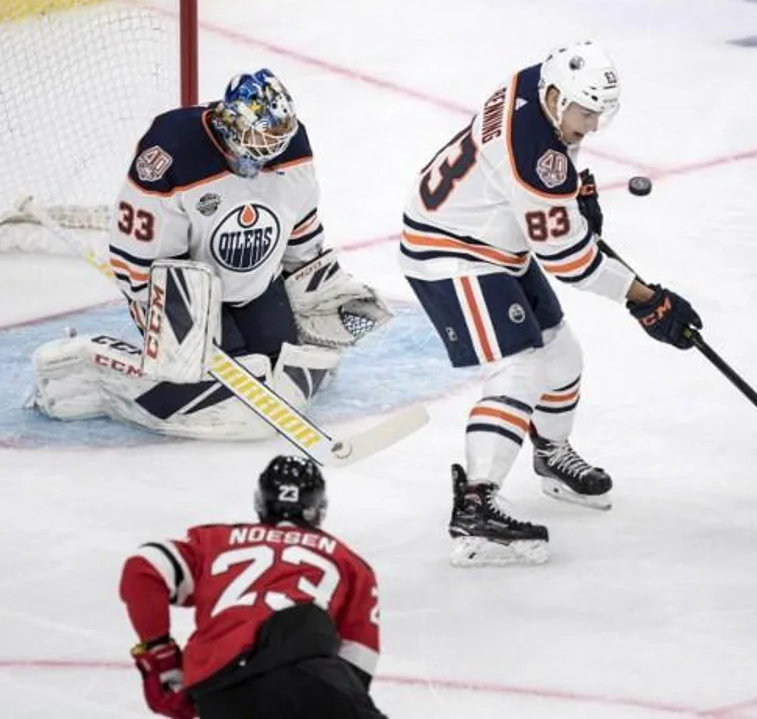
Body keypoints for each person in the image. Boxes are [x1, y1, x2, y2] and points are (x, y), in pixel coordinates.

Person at [399, 40, 703, 566]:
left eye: (600, 113)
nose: (593, 126)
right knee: (519, 368)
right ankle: (477, 504)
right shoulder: (535, 160)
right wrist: (647, 300)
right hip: (451, 252)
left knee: (563, 357)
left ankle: (551, 454)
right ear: (559, 97)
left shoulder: (535, 82)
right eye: (587, 113)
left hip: (494, 238)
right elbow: (571, 263)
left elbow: (555, 166)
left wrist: (574, 194)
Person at [27, 69, 390, 440]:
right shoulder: (172, 150)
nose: (270, 149)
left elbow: (300, 222)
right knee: (216, 391)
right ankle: (96, 372)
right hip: (188, 297)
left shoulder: (292, 146)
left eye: (277, 137)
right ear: (230, 123)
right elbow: (138, 255)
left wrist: (317, 281)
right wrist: (167, 315)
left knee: (281, 369)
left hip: (255, 286)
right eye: (260, 137)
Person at [119, 455, 386, 718]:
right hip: (302, 670)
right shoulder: (349, 563)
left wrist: (160, 652)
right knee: (307, 623)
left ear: (261, 502)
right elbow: (358, 659)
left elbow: (143, 567)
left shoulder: (214, 541)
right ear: (319, 507)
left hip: (220, 689)